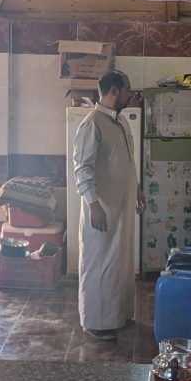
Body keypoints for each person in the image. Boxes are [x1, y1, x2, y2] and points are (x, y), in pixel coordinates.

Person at [73, 70, 145, 341]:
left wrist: (136, 189)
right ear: (114, 91)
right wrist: (93, 204)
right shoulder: (92, 124)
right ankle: (96, 323)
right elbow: (83, 168)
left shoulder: (120, 121)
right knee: (100, 264)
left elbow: (126, 161)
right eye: (127, 89)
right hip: (102, 211)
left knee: (119, 264)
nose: (130, 94)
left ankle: (118, 316)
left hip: (122, 208)